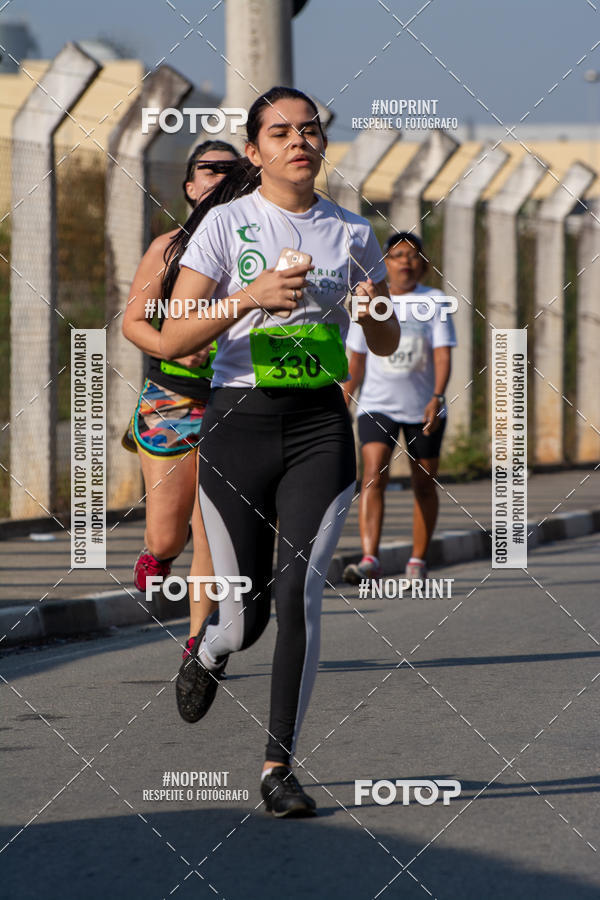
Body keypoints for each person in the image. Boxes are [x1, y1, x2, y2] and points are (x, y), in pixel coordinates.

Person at [160, 86, 400, 817]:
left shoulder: (353, 233)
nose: (299, 140)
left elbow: (384, 343)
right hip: (239, 425)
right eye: (280, 131)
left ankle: (278, 767)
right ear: (258, 149)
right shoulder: (226, 224)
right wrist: (250, 296)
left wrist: (375, 310)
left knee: (298, 595)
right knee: (240, 620)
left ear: (322, 145)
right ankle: (208, 650)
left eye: (310, 129)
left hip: (320, 429)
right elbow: (173, 334)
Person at [121, 140, 243, 673]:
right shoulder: (167, 248)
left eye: (231, 169)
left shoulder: (251, 250)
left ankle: (197, 643)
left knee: (211, 526)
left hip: (233, 401)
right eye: (207, 169)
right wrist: (175, 344)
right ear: (190, 186)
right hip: (172, 399)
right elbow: (134, 323)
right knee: (169, 532)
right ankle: (156, 555)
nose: (218, 176)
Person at [342, 231, 456, 583]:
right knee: (373, 472)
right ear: (384, 263)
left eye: (412, 255)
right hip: (377, 404)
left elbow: (442, 353)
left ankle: (417, 561)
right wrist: (342, 402)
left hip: (423, 406)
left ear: (422, 264)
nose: (404, 261)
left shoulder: (434, 300)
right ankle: (369, 559)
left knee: (424, 482)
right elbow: (356, 361)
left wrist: (436, 396)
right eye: (396, 255)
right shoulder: (369, 300)